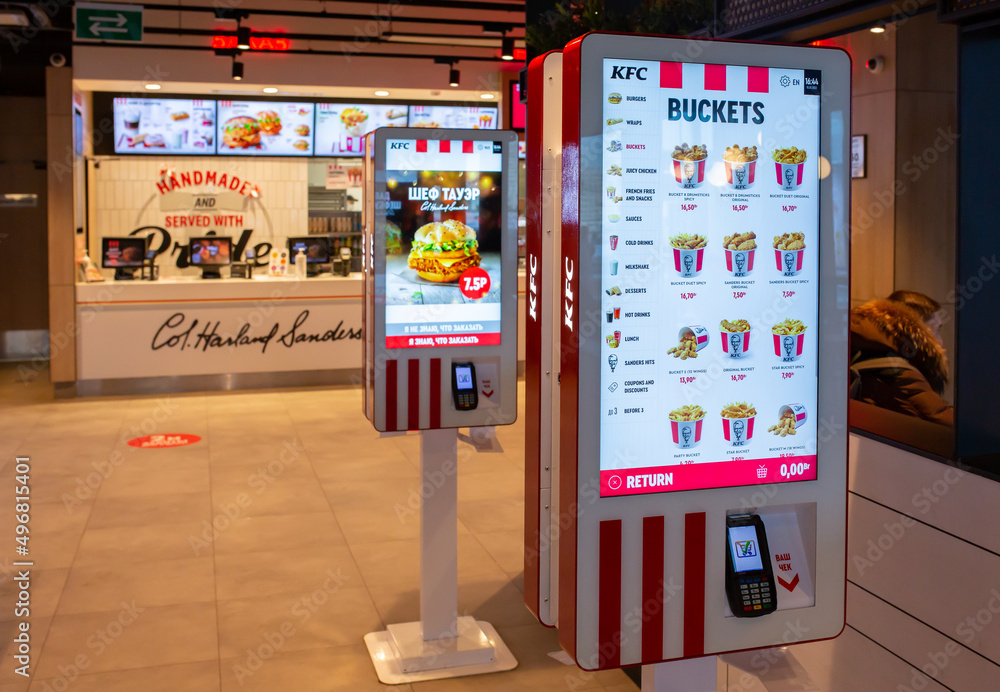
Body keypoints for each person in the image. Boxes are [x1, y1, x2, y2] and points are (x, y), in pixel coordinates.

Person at [849, 290, 952, 425]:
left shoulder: (866, 352)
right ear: (919, 331)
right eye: (936, 330)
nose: (940, 341)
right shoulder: (901, 375)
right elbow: (945, 422)